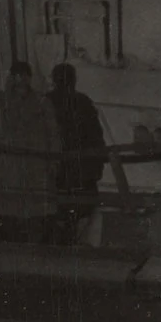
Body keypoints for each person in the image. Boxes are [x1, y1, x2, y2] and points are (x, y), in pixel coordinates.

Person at [0, 62, 58, 242]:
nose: (21, 79)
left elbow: (53, 134)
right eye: (17, 75)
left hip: (36, 166)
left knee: (37, 211)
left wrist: (54, 161)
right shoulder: (1, 103)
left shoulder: (42, 102)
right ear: (11, 77)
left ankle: (35, 249)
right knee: (10, 210)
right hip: (9, 167)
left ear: (30, 78)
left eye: (25, 75)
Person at [48, 63, 106, 241]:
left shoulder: (78, 103)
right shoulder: (48, 103)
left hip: (70, 174)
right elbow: (96, 138)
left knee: (71, 218)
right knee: (72, 218)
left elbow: (95, 137)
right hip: (69, 174)